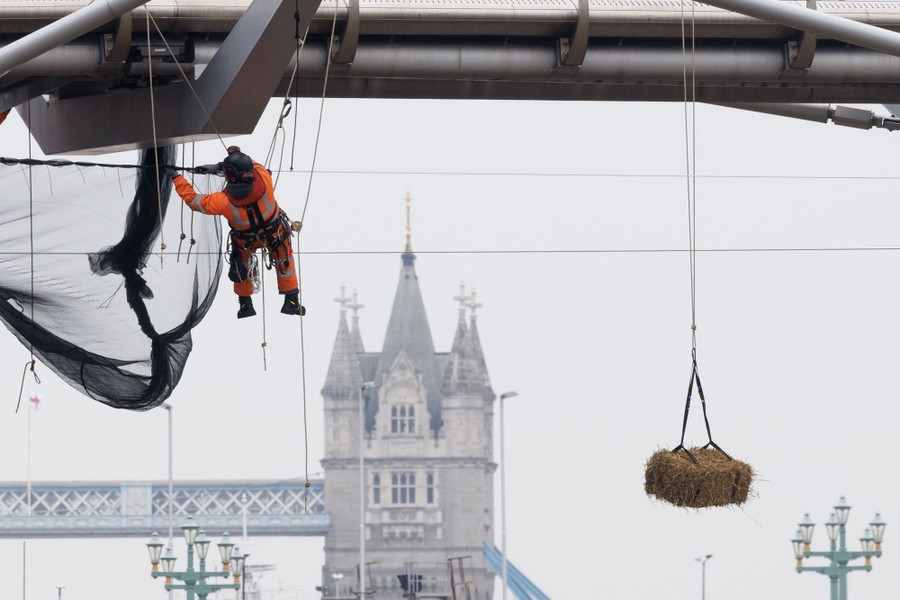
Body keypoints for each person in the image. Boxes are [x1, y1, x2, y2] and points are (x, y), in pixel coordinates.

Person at [169, 146, 305, 319]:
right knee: (284, 258)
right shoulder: (264, 178)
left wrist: (176, 177)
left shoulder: (224, 201)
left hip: (245, 240)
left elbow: (194, 201)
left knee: (241, 264)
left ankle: (245, 304)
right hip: (274, 233)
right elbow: (252, 163)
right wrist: (228, 161)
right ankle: (291, 300)